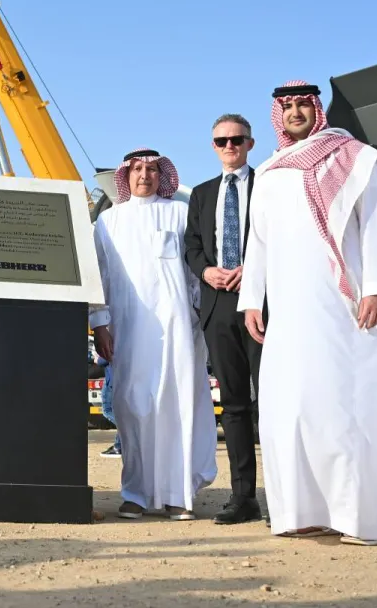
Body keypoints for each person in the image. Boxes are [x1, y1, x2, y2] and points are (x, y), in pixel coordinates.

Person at [239, 82, 377, 546]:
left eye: (301, 105)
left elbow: (374, 225)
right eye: (286, 107)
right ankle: (303, 511)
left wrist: (376, 289)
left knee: (345, 404)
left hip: (344, 302)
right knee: (291, 406)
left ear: (317, 109)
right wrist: (252, 298)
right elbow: (259, 240)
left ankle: (360, 517)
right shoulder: (269, 169)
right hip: (289, 308)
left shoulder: (354, 157)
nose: (294, 112)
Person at [91, 149, 217, 521]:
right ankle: (136, 494)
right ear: (125, 177)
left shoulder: (179, 214)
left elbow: (195, 274)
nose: (144, 175)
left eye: (151, 169)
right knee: (133, 408)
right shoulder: (107, 222)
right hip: (127, 328)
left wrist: (200, 319)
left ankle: (179, 496)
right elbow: (98, 279)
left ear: (161, 175)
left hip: (179, 327)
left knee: (178, 407)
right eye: (137, 169)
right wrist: (100, 325)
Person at [183, 113, 263, 525]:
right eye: (221, 141)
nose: (230, 147)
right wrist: (205, 271)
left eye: (237, 140)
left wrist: (253, 266)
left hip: (262, 304)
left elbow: (281, 236)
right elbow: (192, 245)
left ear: (251, 143)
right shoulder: (201, 193)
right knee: (233, 404)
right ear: (213, 146)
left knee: (272, 400)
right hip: (217, 306)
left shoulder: (269, 184)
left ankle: (288, 495)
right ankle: (243, 497)